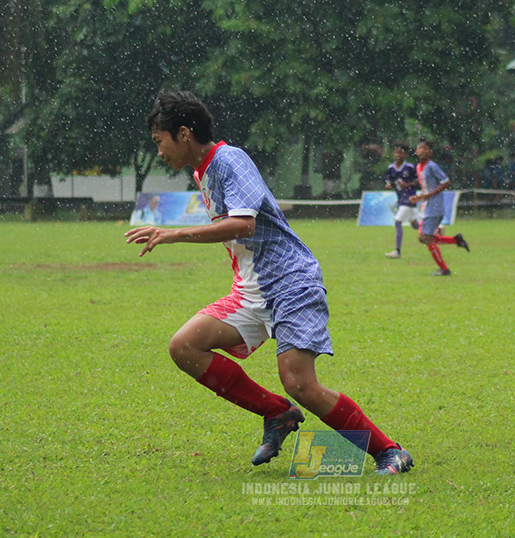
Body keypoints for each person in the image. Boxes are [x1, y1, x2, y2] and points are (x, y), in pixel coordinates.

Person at [124, 90, 413, 475]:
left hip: (291, 281)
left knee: (300, 383)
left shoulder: (230, 159)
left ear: (183, 134)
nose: (159, 152)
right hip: (251, 289)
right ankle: (277, 413)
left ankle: (389, 451)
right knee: (184, 346)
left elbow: (244, 224)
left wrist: (173, 234)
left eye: (159, 141)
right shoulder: (202, 171)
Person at [409, 140, 469, 276]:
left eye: (425, 149)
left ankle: (444, 269)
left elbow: (446, 182)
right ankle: (456, 240)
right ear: (416, 151)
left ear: (430, 152)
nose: (422, 151)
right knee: (423, 238)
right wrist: (419, 197)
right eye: (420, 148)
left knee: (426, 238)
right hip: (427, 205)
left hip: (435, 206)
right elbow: (427, 188)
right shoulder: (418, 167)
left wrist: (429, 195)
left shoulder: (432, 166)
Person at [383, 143, 418, 259]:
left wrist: (407, 185)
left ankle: (397, 251)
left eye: (401, 153)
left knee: (397, 222)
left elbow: (418, 181)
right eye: (397, 152)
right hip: (400, 198)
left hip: (409, 198)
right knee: (415, 225)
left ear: (405, 154)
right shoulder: (391, 168)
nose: (399, 155)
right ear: (394, 153)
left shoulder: (410, 167)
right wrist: (388, 184)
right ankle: (438, 230)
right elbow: (389, 180)